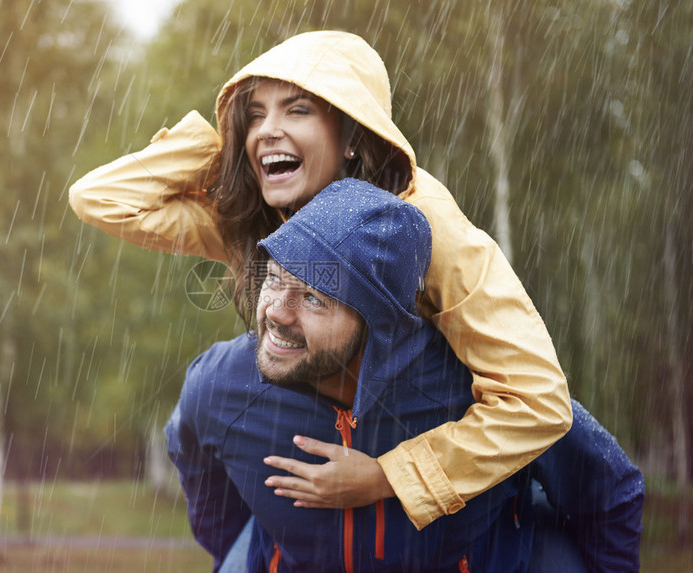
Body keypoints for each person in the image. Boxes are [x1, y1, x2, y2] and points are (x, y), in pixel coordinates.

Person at [69, 30, 572, 529]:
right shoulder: (262, 218)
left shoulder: (428, 227)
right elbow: (101, 198)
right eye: (256, 113)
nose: (267, 128)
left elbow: (537, 402)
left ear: (353, 137)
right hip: (302, 488)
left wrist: (387, 477)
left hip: (442, 520)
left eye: (297, 110)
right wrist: (229, 150)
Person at [165, 179, 643, 573]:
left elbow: (611, 491)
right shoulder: (222, 385)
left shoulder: (486, 395)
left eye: (314, 299)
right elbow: (202, 483)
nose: (277, 313)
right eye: (274, 278)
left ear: (379, 324)